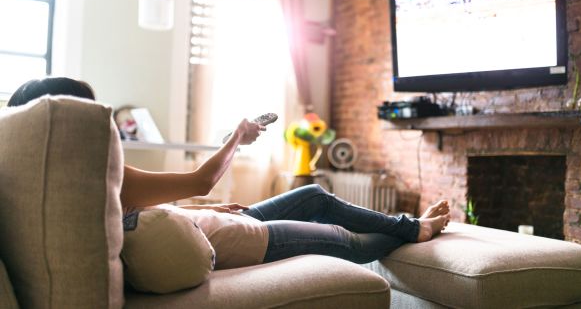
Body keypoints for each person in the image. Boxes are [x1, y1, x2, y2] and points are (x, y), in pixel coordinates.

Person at [8, 77, 451, 269]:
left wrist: (207, 206)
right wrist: (238, 137)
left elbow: (153, 209)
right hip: (235, 240)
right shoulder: (98, 180)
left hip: (214, 222)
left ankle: (409, 226)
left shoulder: (63, 187)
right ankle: (414, 230)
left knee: (315, 196)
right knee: (347, 242)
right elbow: (200, 178)